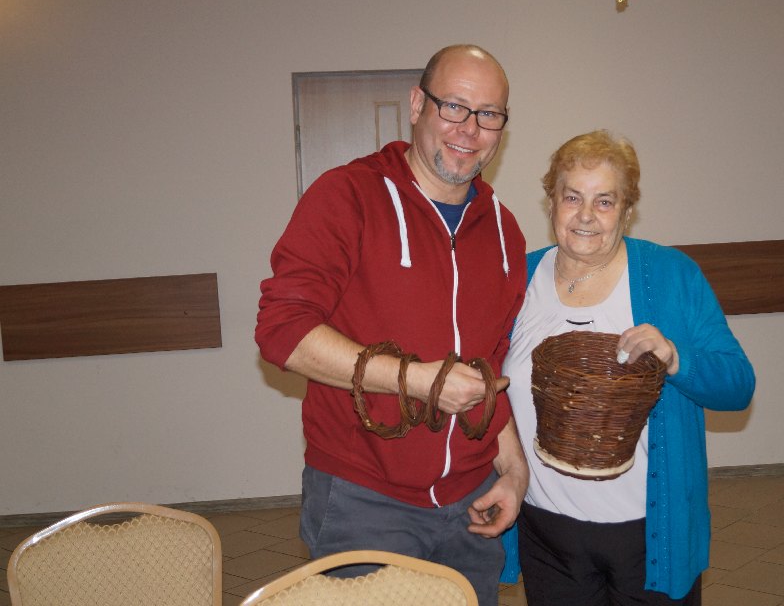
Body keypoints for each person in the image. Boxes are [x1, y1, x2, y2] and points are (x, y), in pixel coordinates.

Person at [255, 44, 529, 605]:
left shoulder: (504, 231)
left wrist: (514, 469)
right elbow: (282, 330)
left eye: (488, 114)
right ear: (417, 104)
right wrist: (417, 380)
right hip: (363, 501)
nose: (469, 128)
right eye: (453, 106)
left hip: (471, 503)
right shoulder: (347, 196)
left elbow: (490, 370)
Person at [502, 130, 755, 605]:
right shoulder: (517, 278)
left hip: (648, 534)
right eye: (572, 197)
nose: (585, 215)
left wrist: (676, 357)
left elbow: (738, 385)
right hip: (546, 532)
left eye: (604, 201)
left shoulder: (672, 275)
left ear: (627, 210)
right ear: (550, 202)